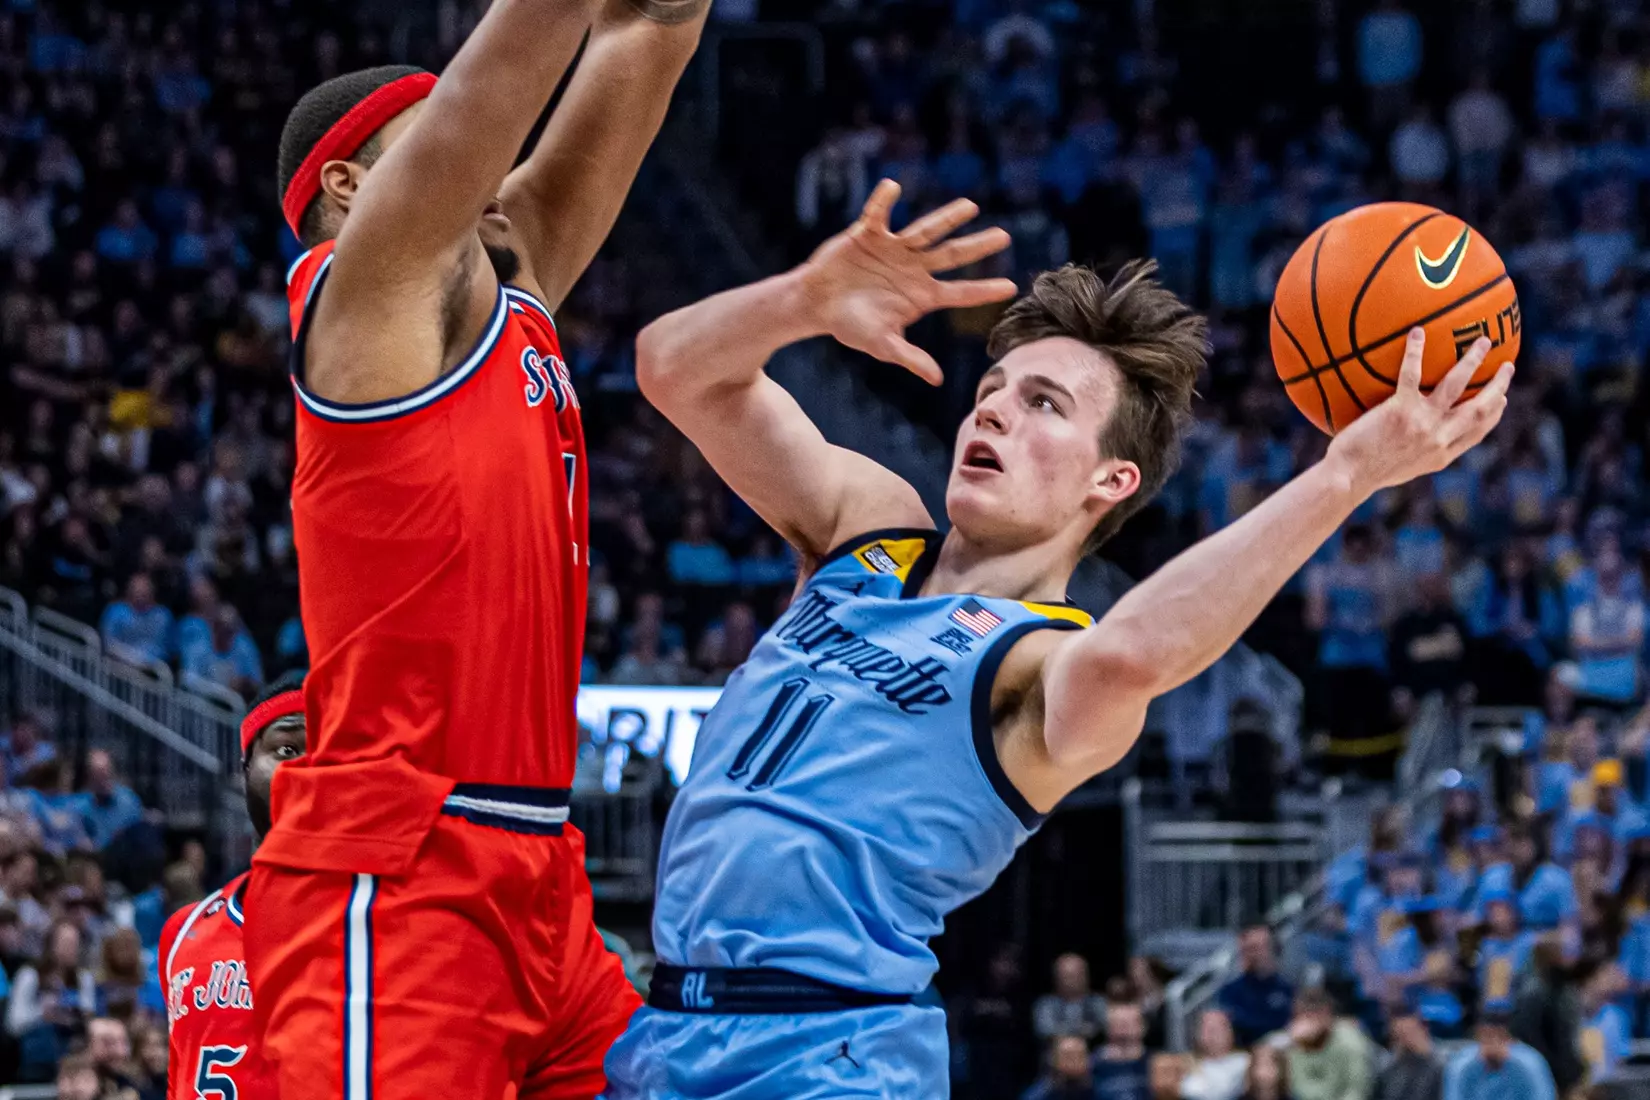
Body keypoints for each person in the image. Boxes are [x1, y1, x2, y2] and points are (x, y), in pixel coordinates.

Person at [600, 177, 1511, 1097]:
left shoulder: (1038, 666)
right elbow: (673, 367)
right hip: (665, 1029)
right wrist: (799, 300)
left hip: (823, 1058)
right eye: (994, 389)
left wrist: (1347, 471)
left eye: (1044, 404)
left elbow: (1135, 653)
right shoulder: (866, 530)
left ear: (1111, 481)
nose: (991, 409)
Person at [245, 2, 710, 1097]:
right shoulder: (363, 298)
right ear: (352, 189)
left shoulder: (514, 290)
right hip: (401, 866)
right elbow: (520, 57)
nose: (492, 170)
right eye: (445, 139)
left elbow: (649, 32)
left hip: (543, 864)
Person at [159, 672, 307, 1100]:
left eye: (327, 754)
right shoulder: (183, 931)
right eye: (286, 749)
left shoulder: (374, 923)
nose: (304, 768)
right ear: (244, 767)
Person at [1285, 987, 1374, 1100]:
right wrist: (1295, 1043)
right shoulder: (1293, 1041)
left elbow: (1357, 1091)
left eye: (1311, 1015)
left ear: (1327, 1013)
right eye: (1300, 1016)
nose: (1305, 1023)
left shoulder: (1350, 1041)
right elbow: (1297, 1088)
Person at [1441, 1015, 1555, 1100]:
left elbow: (1543, 1096)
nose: (1493, 1044)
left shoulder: (1530, 1062)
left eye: (1499, 1036)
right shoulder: (1462, 1064)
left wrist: (1512, 1061)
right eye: (1487, 1036)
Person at [1217, 925, 1294, 1045]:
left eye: (1256, 948)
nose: (1251, 955)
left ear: (1273, 949)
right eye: (1246, 949)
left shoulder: (1288, 990)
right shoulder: (1230, 992)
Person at [1034, 952, 1107, 1043]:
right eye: (1066, 976)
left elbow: (1105, 1027)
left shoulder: (1098, 1002)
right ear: (1056, 978)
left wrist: (1063, 1029)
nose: (1071, 981)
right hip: (1056, 1053)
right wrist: (1084, 1030)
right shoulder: (1046, 1004)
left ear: (1086, 976)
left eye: (1076, 975)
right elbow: (1046, 1031)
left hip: (1093, 1053)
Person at [1179, 1008, 1249, 1100]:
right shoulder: (1184, 1064)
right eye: (1206, 1028)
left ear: (1231, 1032)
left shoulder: (1246, 1063)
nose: (1212, 1034)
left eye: (1218, 1028)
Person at [1376, 1008, 1443, 1100]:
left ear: (1424, 1029)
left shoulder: (1441, 1063)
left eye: (1409, 1032)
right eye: (1399, 1036)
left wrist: (1425, 1054)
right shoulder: (1390, 1065)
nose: (1406, 1040)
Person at [1093, 999, 1152, 1100]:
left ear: (1143, 1027)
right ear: (1108, 1027)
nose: (1124, 1027)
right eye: (1118, 1022)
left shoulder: (1155, 1062)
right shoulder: (1093, 1062)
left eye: (1131, 1022)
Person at [1022, 1034, 1097, 1100]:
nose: (1074, 1062)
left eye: (1079, 1056)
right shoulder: (1039, 1095)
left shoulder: (1099, 1092)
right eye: (1068, 1057)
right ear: (1055, 1060)